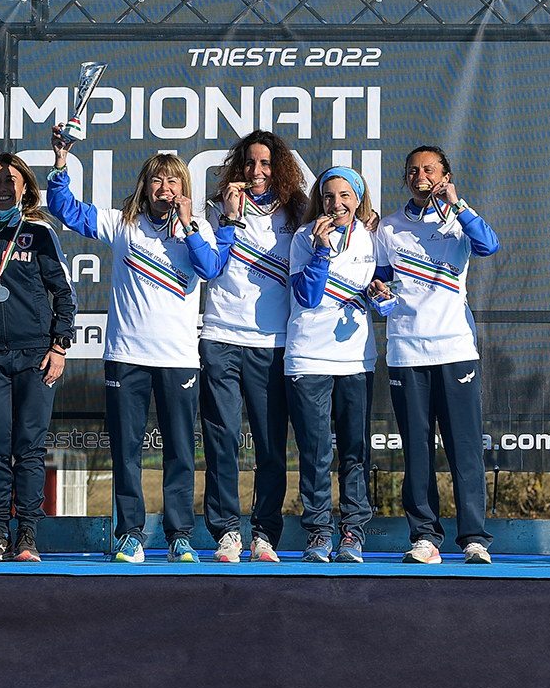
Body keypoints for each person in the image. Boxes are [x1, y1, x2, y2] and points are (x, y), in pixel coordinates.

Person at [48, 125, 217, 564]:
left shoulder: (198, 229)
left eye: (173, 181)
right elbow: (65, 209)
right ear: (145, 186)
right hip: (126, 357)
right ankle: (130, 535)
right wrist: (61, 161)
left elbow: (210, 269)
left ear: (184, 188)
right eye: (157, 180)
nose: (164, 189)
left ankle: (180, 536)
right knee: (126, 452)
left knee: (181, 452)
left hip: (179, 359)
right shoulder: (124, 224)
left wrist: (189, 227)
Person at [369, 145, 499, 564]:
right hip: (406, 352)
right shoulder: (389, 227)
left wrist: (456, 205)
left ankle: (474, 538)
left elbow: (488, 246)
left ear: (445, 176)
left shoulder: (461, 218)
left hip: (455, 348)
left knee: (465, 449)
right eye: (413, 170)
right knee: (416, 451)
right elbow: (380, 282)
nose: (420, 176)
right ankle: (424, 537)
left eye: (429, 170)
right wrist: (379, 294)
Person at [197, 131, 307, 564]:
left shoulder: (297, 210)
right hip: (220, 336)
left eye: (265, 163)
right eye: (249, 162)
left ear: (279, 167)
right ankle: (226, 531)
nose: (256, 171)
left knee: (270, 445)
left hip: (271, 343)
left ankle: (264, 534)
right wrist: (228, 218)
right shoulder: (216, 208)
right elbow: (208, 267)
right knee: (221, 440)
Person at [0, 154, 76, 562]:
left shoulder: (39, 232)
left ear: (25, 188)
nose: (2, 188)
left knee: (29, 448)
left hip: (36, 356)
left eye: (10, 180)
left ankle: (27, 532)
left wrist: (59, 345)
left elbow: (64, 293)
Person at [285, 167, 378, 563]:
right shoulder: (304, 238)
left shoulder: (372, 238)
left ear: (358, 200)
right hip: (308, 356)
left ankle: (353, 532)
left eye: (344, 196)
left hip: (356, 358)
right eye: (328, 196)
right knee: (316, 452)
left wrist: (380, 294)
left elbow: (382, 286)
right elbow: (306, 296)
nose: (336, 203)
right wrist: (322, 249)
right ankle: (319, 532)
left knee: (355, 451)